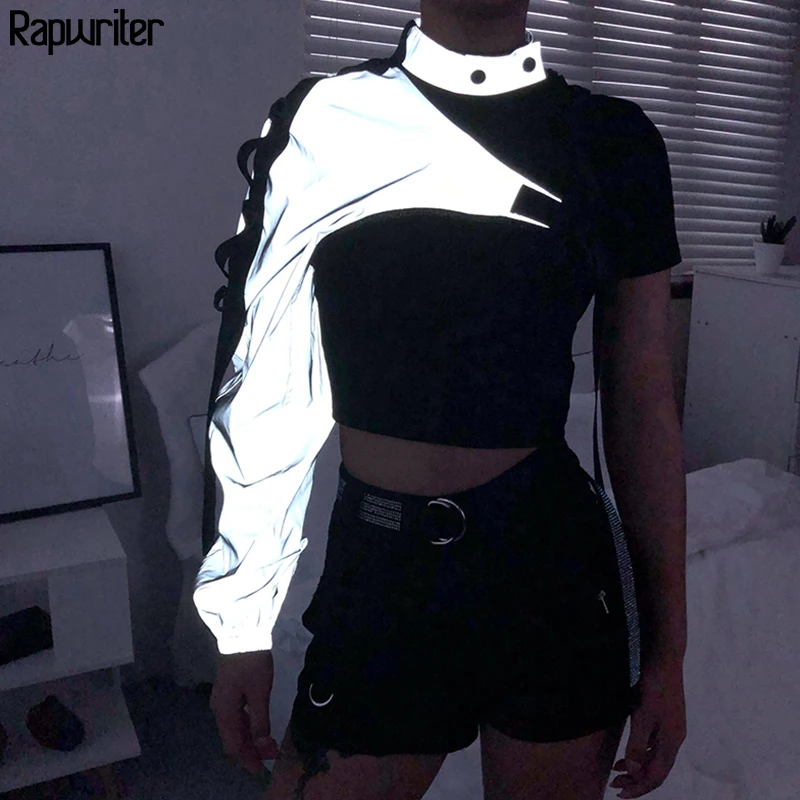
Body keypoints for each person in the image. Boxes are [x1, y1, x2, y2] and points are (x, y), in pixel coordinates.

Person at [198, 1, 688, 798]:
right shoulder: (326, 120)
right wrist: (240, 624)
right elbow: (262, 378)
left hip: (548, 567)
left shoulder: (612, 140)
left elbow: (642, 405)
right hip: (381, 571)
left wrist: (668, 653)